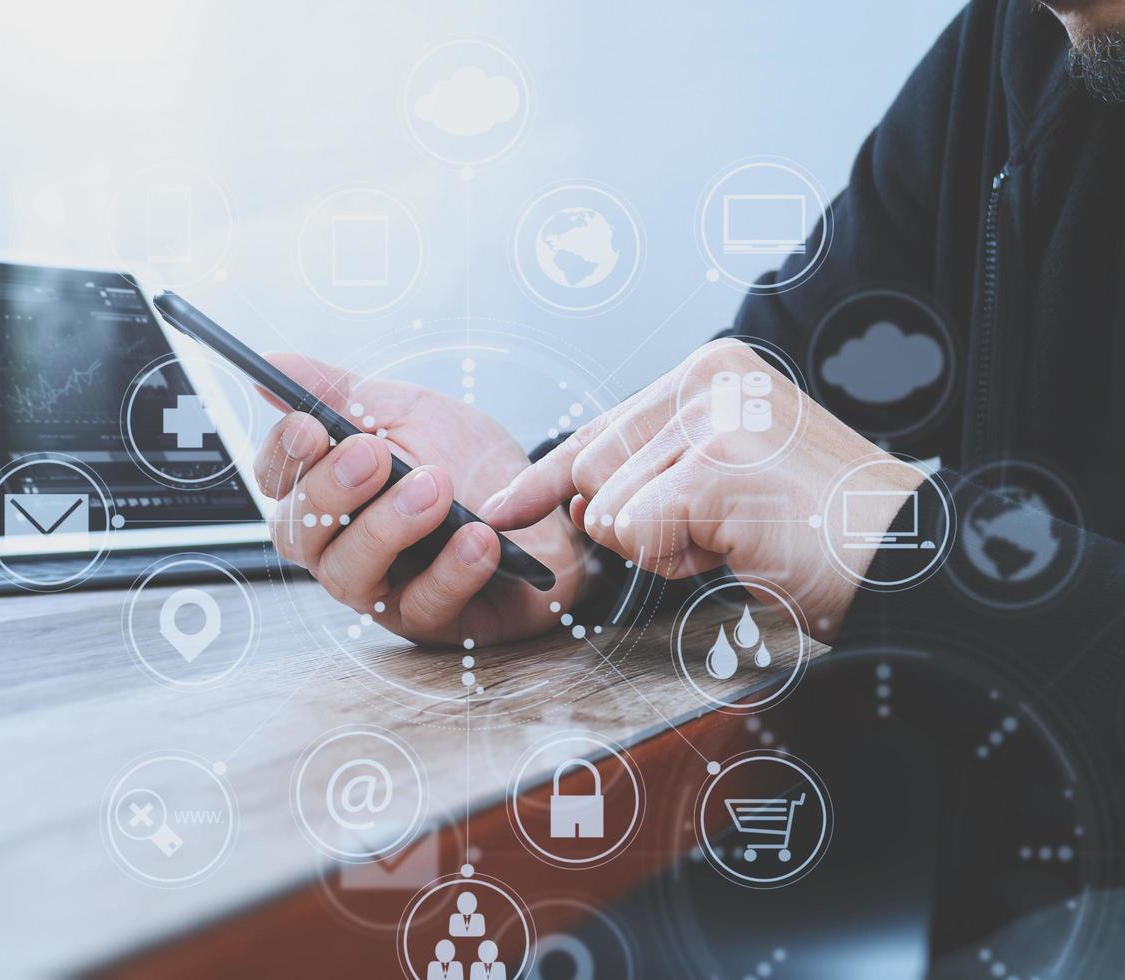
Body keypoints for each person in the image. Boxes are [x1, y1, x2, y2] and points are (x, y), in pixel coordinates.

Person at [251, 0, 1125, 786]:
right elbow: (783, 378)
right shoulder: (1018, 39)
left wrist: (914, 549)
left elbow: (844, 499)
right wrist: (569, 536)